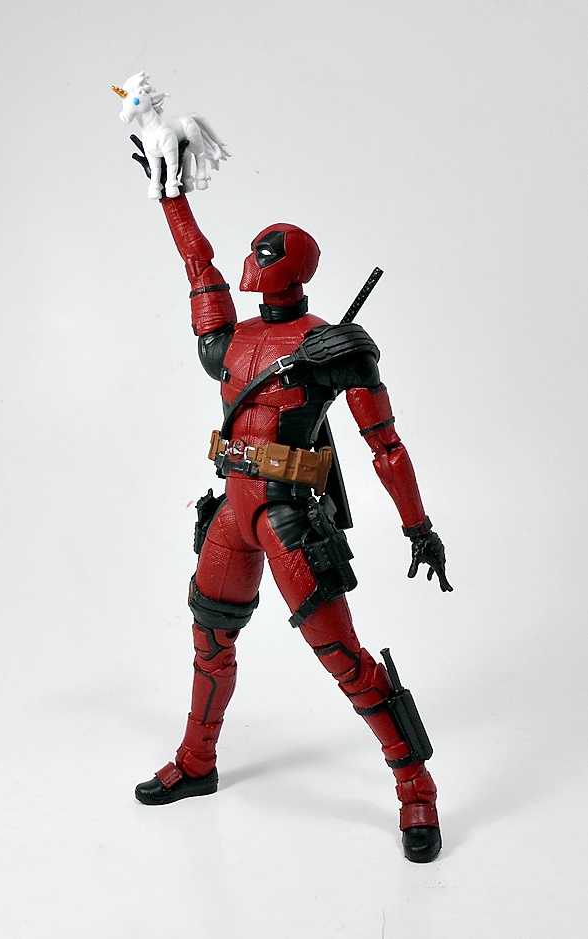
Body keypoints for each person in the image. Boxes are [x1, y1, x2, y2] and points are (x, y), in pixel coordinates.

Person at [131, 177, 451, 864]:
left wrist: (417, 526)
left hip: (288, 517)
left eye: (265, 254)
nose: (253, 263)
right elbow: (198, 266)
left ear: (290, 267)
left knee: (343, 657)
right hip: (231, 511)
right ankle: (196, 760)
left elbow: (386, 445)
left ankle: (415, 786)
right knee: (209, 640)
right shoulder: (232, 339)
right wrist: (171, 194)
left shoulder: (332, 348)